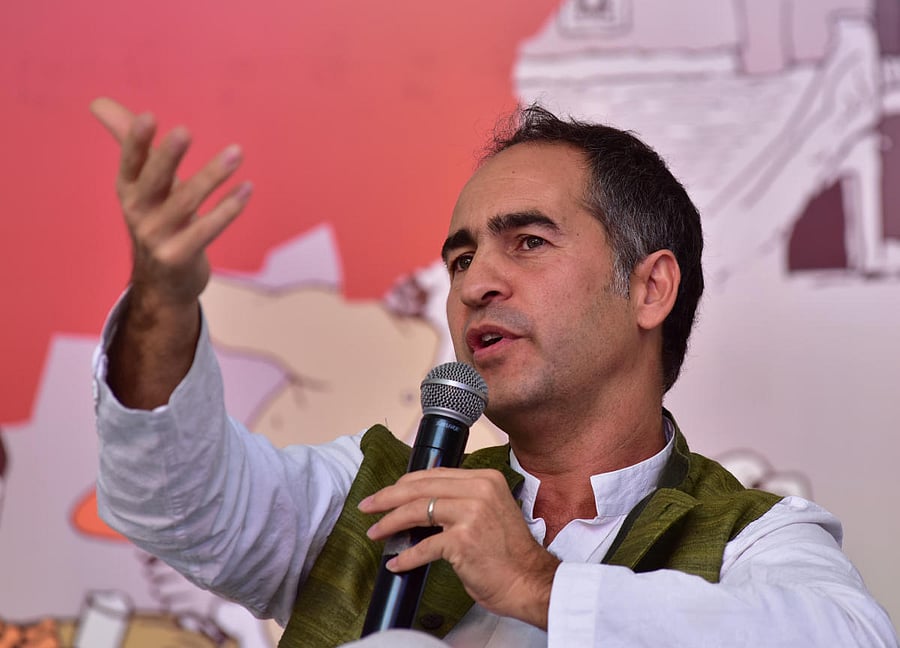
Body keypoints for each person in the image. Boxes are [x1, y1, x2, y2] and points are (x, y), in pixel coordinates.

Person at [90, 97, 898, 647]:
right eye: (462, 257)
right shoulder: (375, 498)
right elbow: (176, 500)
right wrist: (163, 297)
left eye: (529, 243)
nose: (476, 282)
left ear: (651, 287)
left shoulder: (751, 538)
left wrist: (540, 585)